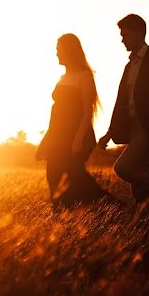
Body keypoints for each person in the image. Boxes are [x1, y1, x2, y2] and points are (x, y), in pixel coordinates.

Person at [97, 14, 149, 217]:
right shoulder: (129, 66)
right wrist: (109, 134)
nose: (122, 39)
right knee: (139, 180)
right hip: (131, 129)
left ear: (139, 33)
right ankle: (148, 218)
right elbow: (121, 103)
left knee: (123, 167)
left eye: (125, 35)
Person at [36, 34, 108, 209]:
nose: (57, 54)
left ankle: (111, 207)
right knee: (53, 173)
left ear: (69, 51)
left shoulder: (84, 76)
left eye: (59, 50)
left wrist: (78, 139)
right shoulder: (63, 77)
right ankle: (63, 213)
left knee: (73, 175)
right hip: (58, 135)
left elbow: (87, 111)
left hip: (77, 135)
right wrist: (45, 141)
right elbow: (56, 116)